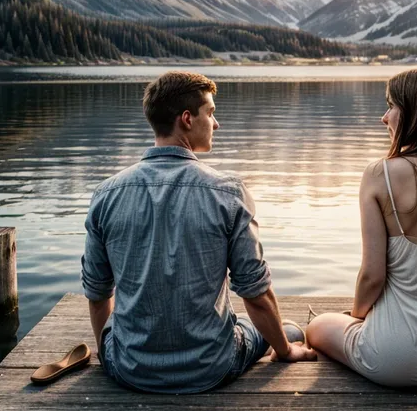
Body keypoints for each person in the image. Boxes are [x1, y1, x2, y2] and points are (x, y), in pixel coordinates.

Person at [81, 71, 316, 394]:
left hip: (128, 369)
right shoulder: (228, 192)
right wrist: (286, 352)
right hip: (212, 367)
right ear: (187, 119)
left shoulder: (106, 194)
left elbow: (97, 294)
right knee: (288, 330)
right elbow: (255, 295)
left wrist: (114, 357)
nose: (216, 124)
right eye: (211, 113)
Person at [306, 67, 417, 389]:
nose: (384, 117)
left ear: (414, 113)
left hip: (389, 358)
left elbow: (372, 276)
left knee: (317, 327)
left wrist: (357, 316)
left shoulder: (382, 175)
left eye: (391, 106)